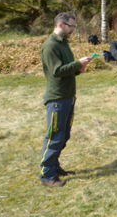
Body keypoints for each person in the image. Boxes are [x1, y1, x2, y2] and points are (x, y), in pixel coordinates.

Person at [39, 13, 93, 187]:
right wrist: (78, 63)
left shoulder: (63, 44)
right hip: (57, 99)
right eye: (72, 26)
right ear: (61, 25)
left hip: (68, 96)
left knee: (64, 136)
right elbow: (56, 71)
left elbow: (66, 69)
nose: (73, 30)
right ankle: (47, 176)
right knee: (54, 137)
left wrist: (79, 69)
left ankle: (54, 167)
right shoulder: (50, 46)